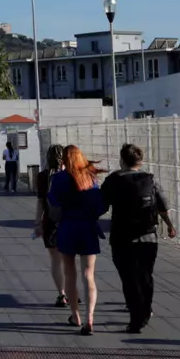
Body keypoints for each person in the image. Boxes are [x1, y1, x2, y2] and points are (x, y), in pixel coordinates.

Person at [102, 143, 177, 334]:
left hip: (121, 237)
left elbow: (101, 206)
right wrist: (169, 225)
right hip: (148, 236)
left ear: (122, 160)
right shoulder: (150, 181)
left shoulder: (113, 180)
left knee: (129, 278)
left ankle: (136, 319)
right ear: (140, 161)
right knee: (145, 275)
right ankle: (146, 310)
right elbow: (163, 208)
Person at [48, 145, 107, 335]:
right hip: (88, 228)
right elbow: (100, 205)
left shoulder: (57, 179)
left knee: (70, 274)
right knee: (88, 275)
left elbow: (54, 210)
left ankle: (76, 316)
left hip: (68, 228)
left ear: (64, 159)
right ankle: (90, 318)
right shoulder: (91, 176)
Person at [34, 144, 69, 307]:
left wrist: (37, 223)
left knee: (55, 260)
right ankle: (71, 291)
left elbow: (41, 201)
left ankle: (61, 294)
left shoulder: (43, 176)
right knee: (69, 259)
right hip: (69, 221)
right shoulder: (69, 175)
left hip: (50, 221)